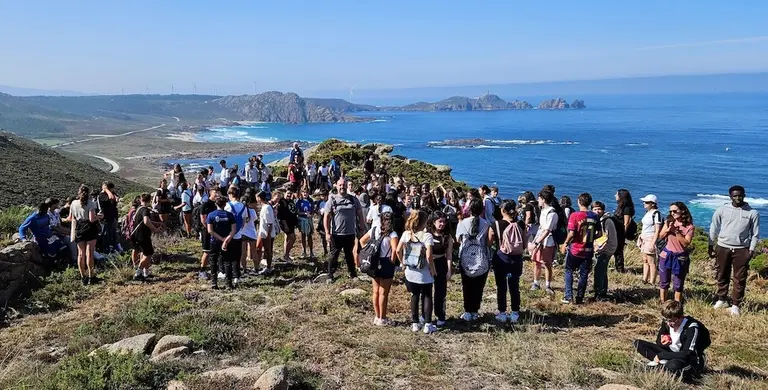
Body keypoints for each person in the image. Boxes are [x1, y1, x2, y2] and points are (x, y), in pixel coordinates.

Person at [709, 185, 761, 317]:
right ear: (730, 196)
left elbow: (755, 234)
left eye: (740, 195)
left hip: (741, 249)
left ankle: (735, 305)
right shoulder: (722, 210)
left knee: (740, 278)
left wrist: (751, 250)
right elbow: (714, 227)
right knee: (721, 274)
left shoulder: (752, 213)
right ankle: (721, 299)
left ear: (744, 195)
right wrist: (711, 244)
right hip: (723, 246)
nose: (738, 198)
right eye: (735, 195)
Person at [633, 300, 710, 381]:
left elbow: (686, 354)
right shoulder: (666, 323)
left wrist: (661, 356)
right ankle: (662, 366)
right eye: (667, 320)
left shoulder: (692, 327)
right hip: (670, 353)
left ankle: (660, 366)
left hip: (687, 359)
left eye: (672, 321)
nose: (669, 323)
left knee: (673, 365)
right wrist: (663, 340)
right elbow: (658, 342)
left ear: (681, 317)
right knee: (638, 344)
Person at [397, 210, 437, 334]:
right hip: (424, 272)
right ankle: (427, 324)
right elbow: (429, 256)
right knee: (427, 296)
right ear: (423, 222)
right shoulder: (427, 236)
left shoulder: (406, 234)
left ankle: (415, 323)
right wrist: (432, 269)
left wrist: (403, 263)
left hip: (411, 270)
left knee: (414, 296)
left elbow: (398, 250)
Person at [455, 198, 494, 321]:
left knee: (466, 285)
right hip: (481, 259)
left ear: (470, 209)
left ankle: (467, 311)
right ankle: (475, 310)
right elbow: (488, 243)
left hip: (465, 258)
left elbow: (458, 240)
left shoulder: (462, 223)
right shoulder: (486, 224)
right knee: (479, 286)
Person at [559, 193, 601, 304]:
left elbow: (572, 233)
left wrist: (565, 243)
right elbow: (600, 233)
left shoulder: (575, 215)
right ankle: (580, 297)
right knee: (584, 275)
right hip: (588, 250)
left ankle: (568, 296)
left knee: (569, 270)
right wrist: (590, 239)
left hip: (575, 249)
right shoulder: (595, 216)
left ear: (579, 202)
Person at [359, 212, 399, 326]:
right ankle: (383, 318)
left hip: (374, 262)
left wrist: (369, 252)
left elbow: (362, 240)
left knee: (375, 291)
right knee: (383, 293)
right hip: (386, 262)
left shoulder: (374, 230)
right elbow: (395, 250)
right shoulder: (392, 234)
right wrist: (393, 260)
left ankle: (377, 317)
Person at [324, 178, 367, 282]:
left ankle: (353, 274)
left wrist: (362, 228)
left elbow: (360, 214)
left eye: (344, 185)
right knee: (334, 256)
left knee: (349, 255)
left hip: (350, 233)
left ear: (347, 186)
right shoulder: (332, 200)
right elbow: (326, 217)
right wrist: (327, 233)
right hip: (336, 234)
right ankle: (330, 275)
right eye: (340, 185)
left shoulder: (353, 199)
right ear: (337, 186)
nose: (342, 187)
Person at [491, 200, 526, 323]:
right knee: (514, 285)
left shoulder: (496, 224)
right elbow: (525, 244)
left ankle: (502, 312)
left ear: (503, 210)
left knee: (501, 286)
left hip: (501, 258)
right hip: (516, 259)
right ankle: (515, 312)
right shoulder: (521, 224)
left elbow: (489, 242)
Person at [657, 202, 695, 303]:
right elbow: (660, 236)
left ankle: (676, 305)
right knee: (664, 281)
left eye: (675, 211)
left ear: (682, 211)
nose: (672, 213)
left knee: (678, 283)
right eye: (671, 211)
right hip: (666, 255)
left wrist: (676, 232)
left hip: (680, 257)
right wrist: (668, 230)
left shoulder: (689, 227)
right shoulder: (668, 221)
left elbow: (686, 243)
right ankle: (663, 302)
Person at [69, 185, 102, 285]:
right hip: (89, 228)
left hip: (79, 228)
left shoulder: (73, 203)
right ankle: (92, 276)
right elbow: (92, 219)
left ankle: (83, 277)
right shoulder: (91, 204)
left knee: (80, 254)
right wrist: (99, 216)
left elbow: (70, 217)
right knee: (90, 254)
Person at [428, 211, 454, 327]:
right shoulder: (427, 234)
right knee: (427, 291)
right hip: (428, 264)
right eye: (439, 221)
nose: (442, 224)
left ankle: (440, 315)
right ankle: (426, 315)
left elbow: (449, 256)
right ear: (434, 222)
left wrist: (449, 271)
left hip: (441, 263)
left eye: (444, 221)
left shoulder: (447, 237)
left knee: (440, 292)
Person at [530, 189, 557, 294]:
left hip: (547, 242)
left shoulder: (552, 213)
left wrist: (536, 242)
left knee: (547, 263)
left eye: (539, 198)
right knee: (536, 262)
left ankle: (548, 285)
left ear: (543, 199)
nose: (538, 200)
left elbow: (547, 230)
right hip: (540, 239)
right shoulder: (543, 211)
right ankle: (536, 282)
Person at [206, 195, 236, 289]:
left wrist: (220, 238)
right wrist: (226, 240)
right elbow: (233, 230)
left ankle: (214, 283)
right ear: (225, 204)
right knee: (227, 261)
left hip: (214, 241)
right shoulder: (230, 215)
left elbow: (210, 230)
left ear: (216, 203)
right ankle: (228, 284)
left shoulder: (211, 215)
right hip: (228, 241)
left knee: (213, 261)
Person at [131, 193, 162, 281]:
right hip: (143, 235)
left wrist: (155, 223)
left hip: (136, 235)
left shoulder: (139, 209)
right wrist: (155, 229)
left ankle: (146, 273)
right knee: (148, 253)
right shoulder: (145, 210)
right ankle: (138, 273)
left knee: (143, 253)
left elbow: (143, 220)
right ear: (150, 200)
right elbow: (146, 221)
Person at [592, 201, 618, 301]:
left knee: (599, 270)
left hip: (605, 249)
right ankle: (602, 291)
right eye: (595, 209)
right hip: (602, 248)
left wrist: (599, 248)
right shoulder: (599, 220)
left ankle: (599, 293)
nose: (597, 211)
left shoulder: (606, 221)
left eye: (599, 209)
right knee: (601, 270)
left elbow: (606, 237)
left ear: (603, 210)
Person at [638, 194, 663, 285]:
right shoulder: (647, 212)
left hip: (650, 239)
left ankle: (652, 281)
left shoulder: (656, 214)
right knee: (645, 260)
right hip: (644, 238)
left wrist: (653, 243)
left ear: (653, 204)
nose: (644, 204)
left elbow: (657, 230)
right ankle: (644, 279)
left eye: (646, 202)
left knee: (651, 261)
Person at [224, 187, 246, 285]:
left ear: (231, 195)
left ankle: (229, 277)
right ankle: (237, 276)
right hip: (239, 234)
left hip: (229, 234)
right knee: (237, 256)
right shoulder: (243, 206)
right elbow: (244, 221)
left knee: (228, 257)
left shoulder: (227, 206)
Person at [198, 188, 219, 280]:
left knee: (216, 251)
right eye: (215, 192)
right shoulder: (205, 205)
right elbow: (203, 220)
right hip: (207, 231)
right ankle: (202, 270)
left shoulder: (218, 204)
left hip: (217, 231)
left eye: (218, 192)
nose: (217, 194)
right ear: (210, 193)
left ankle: (215, 269)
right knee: (207, 251)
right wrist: (210, 229)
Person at [613, 189, 636, 273]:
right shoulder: (621, 206)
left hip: (620, 231)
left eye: (617, 194)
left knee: (618, 250)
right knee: (617, 250)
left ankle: (619, 269)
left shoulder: (626, 208)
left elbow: (626, 222)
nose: (615, 196)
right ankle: (618, 267)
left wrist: (623, 233)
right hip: (617, 230)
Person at [255, 191, 276, 275]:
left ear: (259, 198)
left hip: (266, 233)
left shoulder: (267, 208)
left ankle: (269, 267)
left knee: (268, 250)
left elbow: (269, 222)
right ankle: (258, 265)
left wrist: (268, 234)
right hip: (262, 232)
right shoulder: (263, 207)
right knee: (258, 248)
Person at [97, 181, 120, 253]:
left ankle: (112, 248)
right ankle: (105, 250)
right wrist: (106, 189)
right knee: (105, 235)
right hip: (105, 219)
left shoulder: (110, 194)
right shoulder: (102, 195)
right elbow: (111, 198)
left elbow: (115, 198)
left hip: (111, 218)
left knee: (112, 235)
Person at [276, 190, 298, 263]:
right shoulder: (282, 202)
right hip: (286, 223)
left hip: (291, 223)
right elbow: (282, 215)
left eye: (290, 193)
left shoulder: (291, 201)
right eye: (288, 193)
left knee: (287, 238)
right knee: (293, 238)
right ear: (284, 193)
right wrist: (285, 225)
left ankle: (286, 254)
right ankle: (286, 255)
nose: (289, 195)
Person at [239, 192, 259, 274]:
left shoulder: (240, 211)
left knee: (243, 253)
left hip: (243, 233)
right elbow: (255, 219)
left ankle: (244, 268)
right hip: (251, 233)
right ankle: (256, 268)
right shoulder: (252, 211)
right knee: (254, 252)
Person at [296, 187, 315, 259]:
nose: (305, 193)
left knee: (309, 235)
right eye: (304, 192)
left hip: (309, 219)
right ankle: (304, 251)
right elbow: (297, 211)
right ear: (301, 193)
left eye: (306, 192)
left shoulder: (311, 201)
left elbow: (313, 210)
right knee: (303, 235)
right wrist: (304, 213)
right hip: (302, 219)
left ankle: (311, 251)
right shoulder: (299, 201)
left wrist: (311, 214)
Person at [314, 190, 329, 257]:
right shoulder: (319, 202)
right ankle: (325, 250)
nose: (322, 197)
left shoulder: (329, 202)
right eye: (321, 196)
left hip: (329, 221)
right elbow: (316, 210)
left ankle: (331, 250)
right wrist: (319, 212)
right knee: (323, 236)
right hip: (321, 222)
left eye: (324, 196)